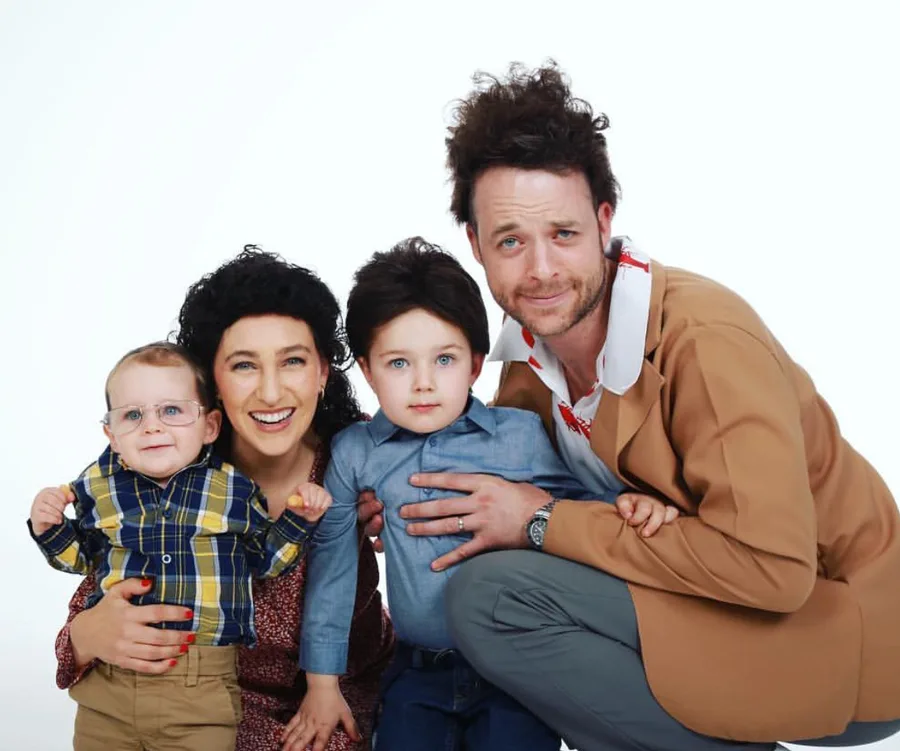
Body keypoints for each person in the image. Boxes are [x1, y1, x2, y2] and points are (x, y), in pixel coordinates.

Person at [359, 64, 900, 750]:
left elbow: (775, 569)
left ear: (604, 222)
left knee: (493, 597)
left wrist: (545, 519)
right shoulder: (527, 355)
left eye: (563, 233)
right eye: (509, 242)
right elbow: (505, 490)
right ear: (475, 245)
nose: (541, 270)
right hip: (713, 610)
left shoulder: (705, 340)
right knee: (492, 579)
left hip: (843, 637)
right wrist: (397, 496)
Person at [289, 237, 660, 751]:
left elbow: (578, 513)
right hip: (419, 669)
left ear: (475, 363)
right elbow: (333, 567)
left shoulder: (521, 435)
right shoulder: (356, 453)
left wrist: (627, 502)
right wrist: (322, 684)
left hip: (518, 671)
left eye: (444, 359)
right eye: (398, 364)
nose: (423, 383)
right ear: (368, 370)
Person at [55, 248, 394, 751]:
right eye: (243, 366)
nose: (272, 392)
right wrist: (86, 638)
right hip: (216, 710)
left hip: (354, 693)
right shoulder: (167, 470)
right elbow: (87, 611)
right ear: (211, 383)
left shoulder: (364, 457)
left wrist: (406, 520)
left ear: (324, 371)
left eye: (293, 362)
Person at [30, 341, 330, 750]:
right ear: (111, 436)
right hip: (108, 688)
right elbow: (83, 559)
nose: (152, 426)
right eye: (132, 415)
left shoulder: (235, 491)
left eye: (171, 410)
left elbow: (263, 562)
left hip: (201, 687)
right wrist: (50, 529)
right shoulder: (98, 487)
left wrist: (298, 519)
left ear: (209, 426)